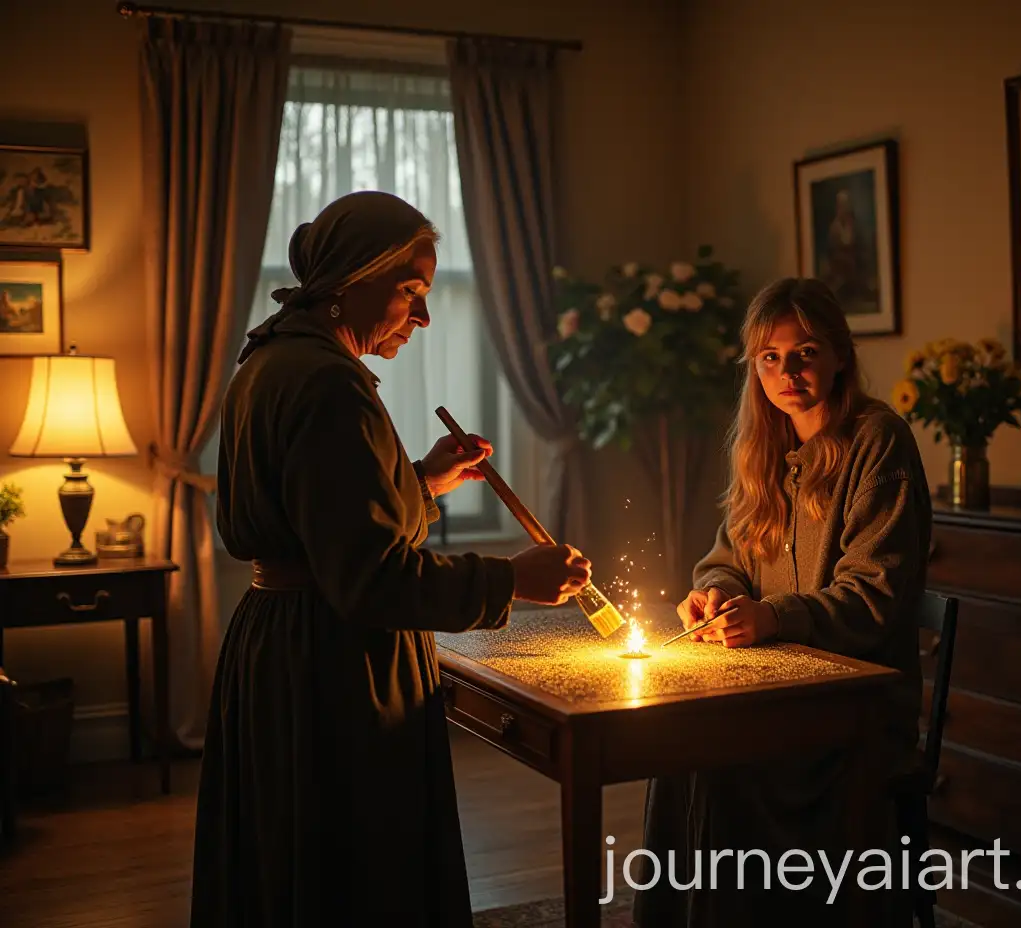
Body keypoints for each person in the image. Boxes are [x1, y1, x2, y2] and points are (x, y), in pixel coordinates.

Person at [190, 190, 592, 927]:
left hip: (278, 643)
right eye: (412, 291)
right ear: (351, 279)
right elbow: (371, 578)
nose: (425, 315)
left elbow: (317, 521)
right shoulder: (330, 384)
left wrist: (422, 481)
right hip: (333, 665)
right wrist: (512, 579)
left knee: (291, 858)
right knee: (358, 868)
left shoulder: (270, 359)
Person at [632, 277, 931, 927]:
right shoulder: (764, 447)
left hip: (853, 708)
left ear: (840, 355)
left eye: (805, 352)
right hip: (769, 691)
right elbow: (726, 557)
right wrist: (717, 594)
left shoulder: (878, 441)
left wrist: (772, 617)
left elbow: (873, 593)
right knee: (674, 750)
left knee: (717, 768)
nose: (787, 371)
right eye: (771, 357)